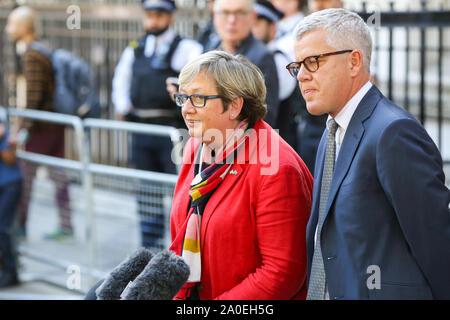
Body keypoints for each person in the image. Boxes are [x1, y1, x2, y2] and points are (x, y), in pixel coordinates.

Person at [288, 8, 450, 299]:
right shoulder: (331, 131)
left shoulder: (393, 131)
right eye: (297, 65)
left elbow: (436, 243)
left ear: (354, 61)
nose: (301, 75)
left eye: (313, 62)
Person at [169, 50, 313, 300]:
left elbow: (281, 274)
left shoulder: (276, 168)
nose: (187, 109)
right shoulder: (196, 146)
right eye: (184, 98)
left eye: (198, 99)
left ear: (235, 105)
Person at [112, 0, 202, 249]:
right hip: (142, 130)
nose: (153, 19)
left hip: (174, 133)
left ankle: (181, 247)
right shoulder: (136, 48)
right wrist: (122, 107)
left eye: (160, 14)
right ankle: (150, 248)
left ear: (171, 16)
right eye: (149, 14)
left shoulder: (187, 48)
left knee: (182, 190)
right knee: (147, 192)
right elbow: (121, 80)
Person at [5, 6, 73, 240]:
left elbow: (33, 98)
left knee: (24, 177)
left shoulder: (32, 54)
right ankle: (66, 224)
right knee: (59, 176)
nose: (7, 28)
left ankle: (19, 227)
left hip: (42, 128)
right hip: (54, 124)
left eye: (11, 24)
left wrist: (19, 129)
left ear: (24, 27)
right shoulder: (43, 48)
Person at [209, 0, 280, 127]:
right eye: (225, 13)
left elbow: (265, 115)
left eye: (240, 13)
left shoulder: (262, 57)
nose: (232, 20)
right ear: (215, 16)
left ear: (253, 17)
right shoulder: (210, 49)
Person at [252, 0, 303, 150]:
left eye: (256, 24)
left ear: (272, 28)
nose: (250, 30)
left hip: (276, 147)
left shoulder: (277, 59)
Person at [0, 121, 22, 288]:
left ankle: (10, 272)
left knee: (3, 228)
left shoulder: (3, 131)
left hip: (10, 184)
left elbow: (10, 159)